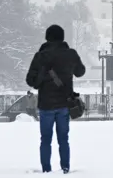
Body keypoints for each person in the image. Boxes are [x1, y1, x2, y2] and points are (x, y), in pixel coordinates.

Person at [25, 25, 86, 175]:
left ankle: (46, 169)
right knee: (63, 139)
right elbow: (80, 72)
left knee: (45, 139)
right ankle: (65, 168)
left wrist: (42, 77)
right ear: (62, 37)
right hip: (64, 103)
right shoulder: (70, 54)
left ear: (47, 37)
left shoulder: (40, 56)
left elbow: (30, 80)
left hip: (46, 105)